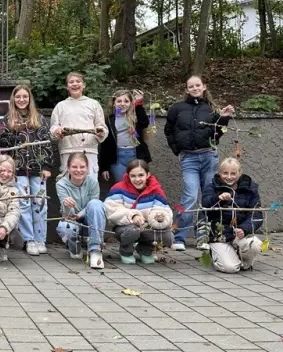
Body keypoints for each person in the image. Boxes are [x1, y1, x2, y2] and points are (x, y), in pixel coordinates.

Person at [165, 75, 235, 251]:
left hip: (209, 157)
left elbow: (218, 133)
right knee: (190, 195)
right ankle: (179, 236)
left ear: (204, 87)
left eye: (198, 85)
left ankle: (202, 237)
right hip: (189, 158)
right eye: (191, 86)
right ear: (187, 89)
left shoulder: (211, 109)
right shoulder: (177, 108)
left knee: (208, 197)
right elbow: (169, 130)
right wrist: (177, 149)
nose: (195, 88)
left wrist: (224, 117)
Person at [0, 85, 54, 256]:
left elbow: (47, 143)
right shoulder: (6, 120)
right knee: (23, 203)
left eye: (25, 97)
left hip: (37, 169)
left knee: (40, 203)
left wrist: (47, 166)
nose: (22, 100)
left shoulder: (40, 119)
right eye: (18, 97)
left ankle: (40, 238)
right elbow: (3, 146)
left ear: (30, 99)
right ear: (13, 99)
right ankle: (29, 239)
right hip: (18, 169)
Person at [104, 159, 173, 264]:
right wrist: (133, 216)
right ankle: (126, 252)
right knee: (132, 230)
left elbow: (163, 209)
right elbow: (111, 210)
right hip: (125, 227)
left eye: (141, 175)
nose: (137, 179)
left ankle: (145, 250)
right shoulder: (118, 188)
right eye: (133, 176)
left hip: (147, 227)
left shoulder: (156, 189)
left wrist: (158, 217)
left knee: (168, 236)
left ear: (148, 175)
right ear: (128, 175)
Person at [202, 158, 263, 273]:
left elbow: (256, 214)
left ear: (239, 173)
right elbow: (205, 206)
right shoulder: (212, 187)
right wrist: (218, 199)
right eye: (225, 173)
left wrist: (244, 229)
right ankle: (218, 253)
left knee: (255, 244)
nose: (229, 177)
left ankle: (243, 262)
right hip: (220, 235)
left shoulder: (250, 189)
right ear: (220, 173)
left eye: (233, 173)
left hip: (240, 234)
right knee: (230, 268)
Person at [50, 72, 107, 179]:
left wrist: (101, 132)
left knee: (90, 187)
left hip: (89, 151)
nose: (75, 84)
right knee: (68, 187)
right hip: (68, 151)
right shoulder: (60, 106)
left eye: (78, 81)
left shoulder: (93, 104)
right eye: (71, 82)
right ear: (67, 86)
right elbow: (53, 128)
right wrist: (57, 131)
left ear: (84, 85)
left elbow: (102, 126)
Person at [55, 152, 106, 269]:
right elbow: (66, 214)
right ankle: (74, 247)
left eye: (82, 167)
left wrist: (81, 214)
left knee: (97, 204)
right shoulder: (61, 184)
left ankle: (95, 250)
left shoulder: (93, 182)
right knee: (65, 227)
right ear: (68, 168)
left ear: (87, 168)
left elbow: (94, 206)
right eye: (74, 167)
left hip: (90, 216)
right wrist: (67, 205)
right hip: (71, 217)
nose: (78, 170)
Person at [99, 89, 151, 183]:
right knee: (121, 184)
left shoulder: (134, 117)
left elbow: (144, 123)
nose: (122, 104)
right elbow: (105, 144)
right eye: (119, 101)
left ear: (131, 103)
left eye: (126, 101)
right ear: (114, 103)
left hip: (135, 154)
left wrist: (138, 105)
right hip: (117, 157)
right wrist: (104, 167)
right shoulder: (109, 120)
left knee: (138, 183)